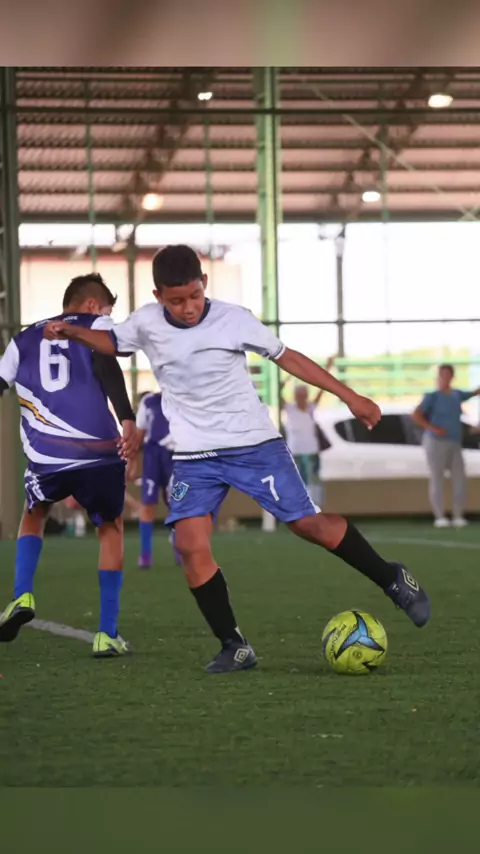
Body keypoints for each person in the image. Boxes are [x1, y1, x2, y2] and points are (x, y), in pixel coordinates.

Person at [44, 245, 431, 675]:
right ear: (158, 296)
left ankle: (391, 578)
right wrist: (73, 332)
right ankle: (235, 645)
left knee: (309, 526)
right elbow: (112, 342)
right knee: (189, 544)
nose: (188, 308)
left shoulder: (234, 319)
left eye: (194, 296)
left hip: (253, 445)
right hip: (194, 455)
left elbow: (289, 358)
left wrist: (351, 397)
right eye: (176, 300)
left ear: (204, 284)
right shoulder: (146, 323)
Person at [0, 273, 137, 657]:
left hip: (47, 454)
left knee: (35, 513)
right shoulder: (97, 326)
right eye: (107, 308)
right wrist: (127, 417)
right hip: (99, 448)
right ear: (93, 305)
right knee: (110, 528)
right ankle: (106, 634)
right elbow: (108, 365)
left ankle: (22, 594)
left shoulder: (22, 339)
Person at [412, 364, 480, 529]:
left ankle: (458, 515)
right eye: (443, 375)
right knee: (437, 477)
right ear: (439, 376)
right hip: (436, 441)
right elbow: (416, 414)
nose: (446, 377)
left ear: (452, 376)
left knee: (459, 478)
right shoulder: (432, 396)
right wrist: (433, 428)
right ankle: (440, 516)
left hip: (454, 442)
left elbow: (473, 393)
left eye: (449, 374)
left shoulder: (457, 395)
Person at [281, 356, 334, 506]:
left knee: (314, 478)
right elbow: (277, 391)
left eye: (304, 395)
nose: (302, 398)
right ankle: (300, 504)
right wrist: (289, 376)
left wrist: (328, 368)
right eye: (299, 395)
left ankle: (316, 504)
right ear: (295, 396)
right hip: (296, 450)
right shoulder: (290, 409)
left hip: (311, 450)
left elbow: (323, 387)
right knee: (298, 478)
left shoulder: (311, 408)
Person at [133, 391, 177, 568]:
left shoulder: (182, 397)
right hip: (152, 456)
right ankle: (145, 555)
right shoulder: (149, 401)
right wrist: (132, 462)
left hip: (176, 456)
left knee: (177, 502)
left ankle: (180, 549)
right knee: (148, 502)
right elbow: (139, 433)